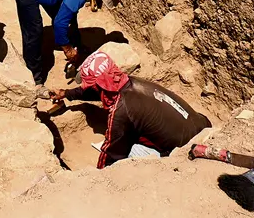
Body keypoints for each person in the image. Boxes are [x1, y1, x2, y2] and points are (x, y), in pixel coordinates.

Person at [50, 50, 212, 169]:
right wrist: (66, 94)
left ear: (99, 86)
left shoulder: (121, 110)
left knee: (130, 149)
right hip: (201, 126)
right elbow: (101, 90)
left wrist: (97, 179)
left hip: (187, 154)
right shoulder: (131, 83)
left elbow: (111, 153)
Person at [12, 0, 127, 92]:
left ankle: (77, 44)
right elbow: (60, 24)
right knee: (34, 31)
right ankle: (34, 79)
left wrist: (75, 44)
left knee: (68, 15)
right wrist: (68, 49)